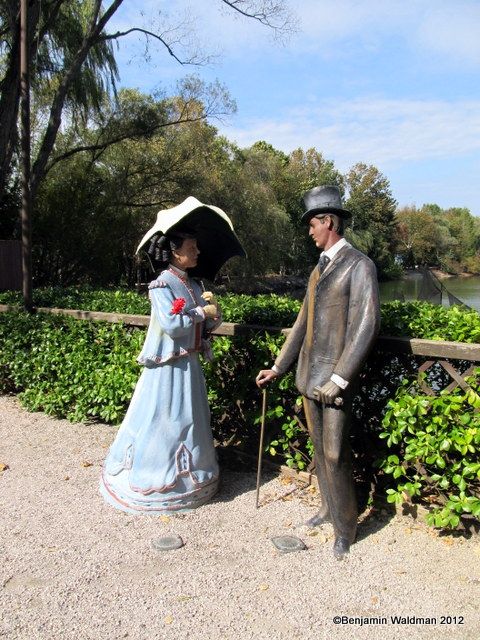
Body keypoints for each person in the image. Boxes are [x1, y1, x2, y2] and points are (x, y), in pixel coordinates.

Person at [256, 185, 380, 559]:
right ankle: (328, 510)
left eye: (312, 224)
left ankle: (347, 528)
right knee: (318, 449)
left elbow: (367, 325)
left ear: (329, 221)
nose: (309, 231)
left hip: (335, 383)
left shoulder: (360, 265)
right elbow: (301, 324)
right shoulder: (318, 268)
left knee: (335, 453)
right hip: (309, 378)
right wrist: (278, 366)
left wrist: (340, 378)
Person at [99, 229, 222, 514]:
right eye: (192, 247)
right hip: (167, 369)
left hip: (188, 366)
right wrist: (201, 314)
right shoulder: (161, 286)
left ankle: (193, 475)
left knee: (190, 417)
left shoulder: (193, 284)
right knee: (165, 419)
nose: (197, 252)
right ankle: (156, 474)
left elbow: (200, 326)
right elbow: (173, 325)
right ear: (175, 252)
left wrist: (213, 313)